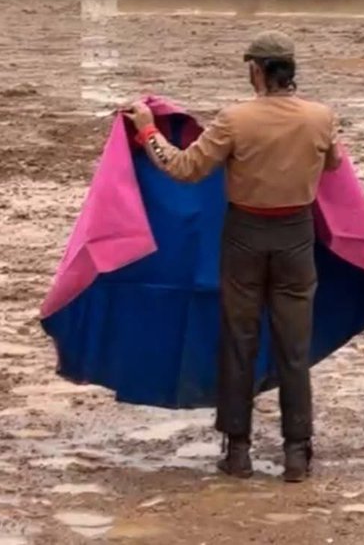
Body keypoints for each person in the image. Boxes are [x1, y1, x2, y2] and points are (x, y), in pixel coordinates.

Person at [122, 30, 342, 483]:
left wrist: (147, 127)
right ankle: (297, 454)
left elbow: (184, 168)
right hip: (297, 239)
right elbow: (335, 164)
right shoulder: (321, 117)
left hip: (245, 236)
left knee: (240, 342)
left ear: (256, 71)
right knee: (294, 349)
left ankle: (238, 451)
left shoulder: (235, 120)